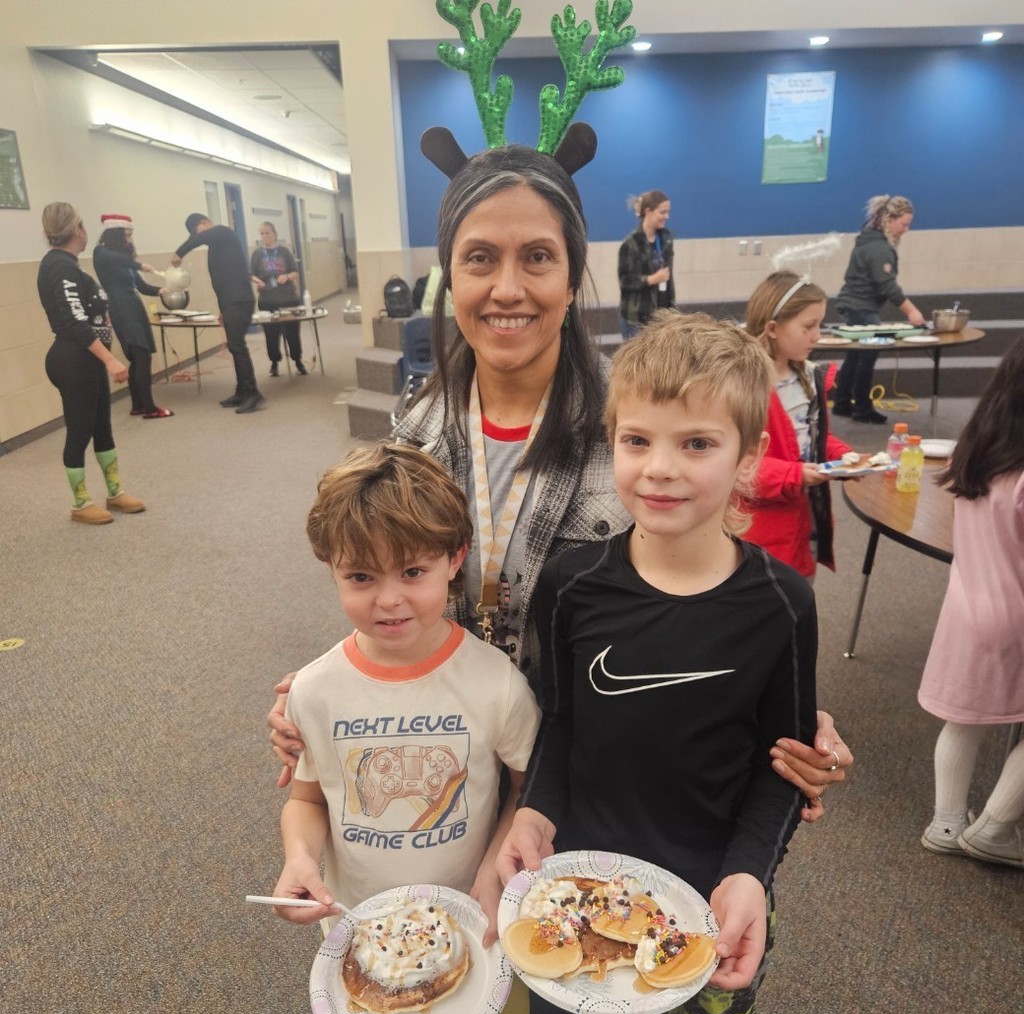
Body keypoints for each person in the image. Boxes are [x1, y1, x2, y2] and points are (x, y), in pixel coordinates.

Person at [267, 144, 850, 818]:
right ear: (449, 277)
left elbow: (710, 601)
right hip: (446, 765)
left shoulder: (640, 428)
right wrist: (327, 688)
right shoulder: (416, 426)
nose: (508, 288)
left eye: (537, 257)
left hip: (589, 776)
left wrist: (782, 709)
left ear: (572, 276)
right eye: (480, 257)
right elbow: (389, 579)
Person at [497, 312, 818, 1014]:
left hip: (708, 898)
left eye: (697, 443)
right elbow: (562, 721)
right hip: (577, 890)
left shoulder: (783, 605)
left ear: (748, 455)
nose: (661, 467)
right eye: (637, 440)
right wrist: (535, 814)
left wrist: (749, 875)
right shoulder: (571, 586)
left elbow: (783, 767)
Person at [271, 441, 540, 941]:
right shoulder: (314, 690)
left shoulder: (496, 684)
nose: (389, 599)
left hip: (467, 913)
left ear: (455, 558)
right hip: (357, 919)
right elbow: (307, 801)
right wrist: (300, 858)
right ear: (331, 568)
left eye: (413, 571)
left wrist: (493, 869)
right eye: (360, 576)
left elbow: (525, 790)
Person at [918, 335, 1024, 868]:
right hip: (1015, 613)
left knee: (964, 717)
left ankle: (946, 820)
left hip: (966, 605)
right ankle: (995, 828)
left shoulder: (979, 452)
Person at [37, 202, 146, 526]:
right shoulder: (60, 266)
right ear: (77, 230)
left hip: (86, 359)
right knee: (80, 430)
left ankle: (115, 492)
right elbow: (73, 322)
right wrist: (111, 360)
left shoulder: (68, 264)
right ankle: (80, 502)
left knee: (102, 427)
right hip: (73, 360)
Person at [742, 270, 854, 578]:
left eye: (819, 324)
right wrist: (794, 474)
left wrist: (844, 457)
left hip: (803, 524)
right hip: (760, 534)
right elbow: (734, 467)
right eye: (808, 326)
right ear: (773, 328)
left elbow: (811, 440)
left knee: (800, 599)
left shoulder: (808, 377)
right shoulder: (742, 387)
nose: (817, 335)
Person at [831, 194, 926, 424]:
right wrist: (912, 312)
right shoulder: (878, 248)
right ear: (889, 220)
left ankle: (842, 402)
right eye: (904, 224)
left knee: (855, 355)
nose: (906, 229)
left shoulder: (870, 242)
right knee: (867, 356)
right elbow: (887, 286)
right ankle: (862, 408)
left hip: (856, 305)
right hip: (861, 307)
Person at [171, 214, 265, 413]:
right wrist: (223, 309)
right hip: (231, 301)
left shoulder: (222, 232)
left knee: (237, 346)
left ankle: (252, 393)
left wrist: (179, 253)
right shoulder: (220, 245)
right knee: (234, 345)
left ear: (204, 223)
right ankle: (242, 391)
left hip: (239, 300)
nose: (200, 237)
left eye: (198, 231)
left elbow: (200, 239)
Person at [92, 213, 173, 419]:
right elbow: (114, 258)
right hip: (120, 306)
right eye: (126, 236)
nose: (129, 240)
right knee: (140, 355)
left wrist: (161, 290)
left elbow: (142, 286)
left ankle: (138, 405)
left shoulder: (125, 261)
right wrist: (138, 264)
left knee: (138, 358)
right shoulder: (101, 253)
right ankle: (149, 408)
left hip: (133, 305)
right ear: (115, 235)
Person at [250, 221, 306, 376]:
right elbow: (251, 274)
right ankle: (274, 362)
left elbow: (295, 273)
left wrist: (287, 276)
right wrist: (257, 281)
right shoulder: (257, 254)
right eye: (261, 233)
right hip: (267, 300)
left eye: (267, 233)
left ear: (274, 234)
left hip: (288, 298)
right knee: (271, 334)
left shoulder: (284, 252)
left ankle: (298, 360)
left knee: (292, 332)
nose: (264, 236)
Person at [617, 188, 674, 339]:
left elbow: (669, 279)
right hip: (636, 320)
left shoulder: (666, 239)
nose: (667, 216)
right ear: (648, 211)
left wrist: (672, 312)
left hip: (662, 318)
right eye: (662, 212)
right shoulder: (630, 244)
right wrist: (651, 279)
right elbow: (625, 281)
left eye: (668, 212)